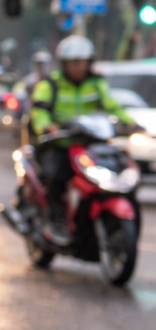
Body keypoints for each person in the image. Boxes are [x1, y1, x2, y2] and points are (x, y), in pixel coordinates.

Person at [29, 35, 137, 241]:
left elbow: (112, 106)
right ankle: (55, 216)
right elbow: (39, 111)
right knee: (57, 177)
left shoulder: (96, 83)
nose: (78, 67)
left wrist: (131, 123)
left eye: (82, 63)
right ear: (64, 64)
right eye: (73, 63)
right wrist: (46, 126)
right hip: (61, 143)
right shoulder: (50, 84)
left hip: (90, 145)